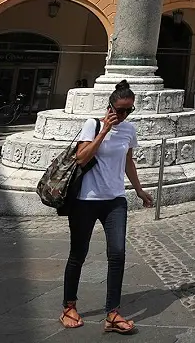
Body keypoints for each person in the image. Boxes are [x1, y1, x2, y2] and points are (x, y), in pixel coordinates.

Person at [60, 80, 153, 334]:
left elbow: (128, 162)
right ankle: (69, 306)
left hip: (115, 199)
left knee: (118, 254)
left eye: (128, 110)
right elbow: (81, 157)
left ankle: (112, 313)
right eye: (120, 110)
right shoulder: (93, 125)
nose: (123, 115)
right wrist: (104, 131)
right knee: (78, 254)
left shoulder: (129, 130)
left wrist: (139, 190)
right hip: (86, 200)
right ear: (110, 106)